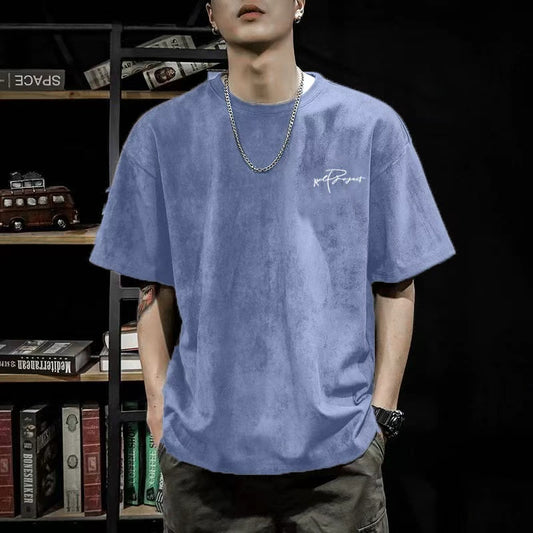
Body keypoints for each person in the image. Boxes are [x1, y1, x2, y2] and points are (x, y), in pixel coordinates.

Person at [88, 1, 456, 531]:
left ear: (299, 3)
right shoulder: (161, 135)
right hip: (203, 465)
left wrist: (381, 414)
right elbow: (153, 290)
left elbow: (397, 282)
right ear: (210, 14)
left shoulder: (370, 127)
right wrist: (157, 407)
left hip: (339, 465)